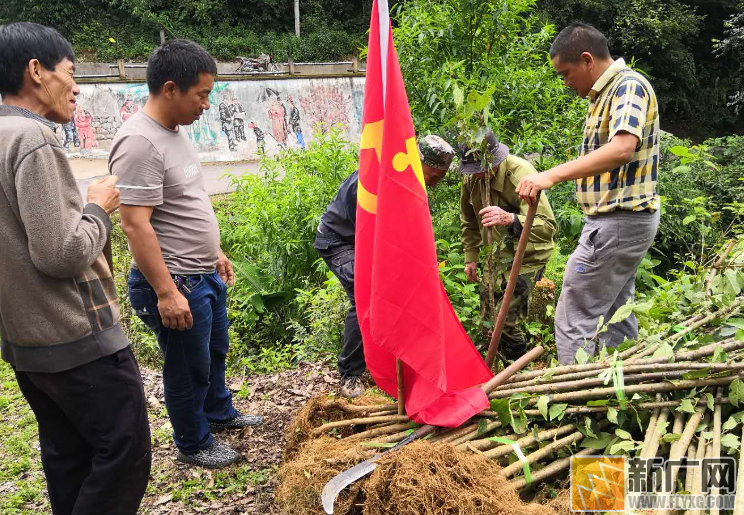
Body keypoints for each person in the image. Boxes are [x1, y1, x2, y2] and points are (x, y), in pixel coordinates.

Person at [0, 22, 150, 515]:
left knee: (69, 456)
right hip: (76, 339)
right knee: (124, 454)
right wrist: (98, 207)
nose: (78, 86)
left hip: (27, 344)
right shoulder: (33, 139)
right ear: (36, 72)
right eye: (71, 72)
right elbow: (61, 254)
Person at [109, 39, 263, 469]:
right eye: (202, 94)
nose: (207, 105)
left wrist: (214, 249)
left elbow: (185, 202)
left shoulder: (174, 132)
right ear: (171, 89)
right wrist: (166, 293)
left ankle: (218, 412)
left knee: (213, 353)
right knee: (186, 367)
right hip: (175, 281)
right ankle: (193, 443)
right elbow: (135, 224)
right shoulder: (140, 143)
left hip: (202, 273)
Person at [515, 23, 661, 364]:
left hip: (618, 222)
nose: (565, 83)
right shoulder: (604, 96)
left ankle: (573, 398)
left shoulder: (628, 86)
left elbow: (622, 148)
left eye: (566, 73)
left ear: (586, 61)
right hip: (621, 222)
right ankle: (616, 391)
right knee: (615, 312)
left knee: (573, 313)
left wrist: (549, 175)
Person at [314, 135, 455, 398]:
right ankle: (350, 375)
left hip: (369, 243)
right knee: (365, 296)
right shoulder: (382, 177)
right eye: (433, 176)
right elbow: (376, 226)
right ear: (419, 161)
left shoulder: (410, 177)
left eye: (439, 179)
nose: (434, 184)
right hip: (339, 241)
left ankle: (398, 363)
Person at [459, 131, 557, 361]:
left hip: (528, 255)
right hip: (494, 255)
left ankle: (517, 372)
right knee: (487, 321)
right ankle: (494, 367)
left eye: (483, 169)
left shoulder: (522, 175)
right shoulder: (471, 179)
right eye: (474, 171)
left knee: (507, 323)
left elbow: (547, 227)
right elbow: (468, 220)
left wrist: (511, 219)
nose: (479, 175)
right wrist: (470, 257)